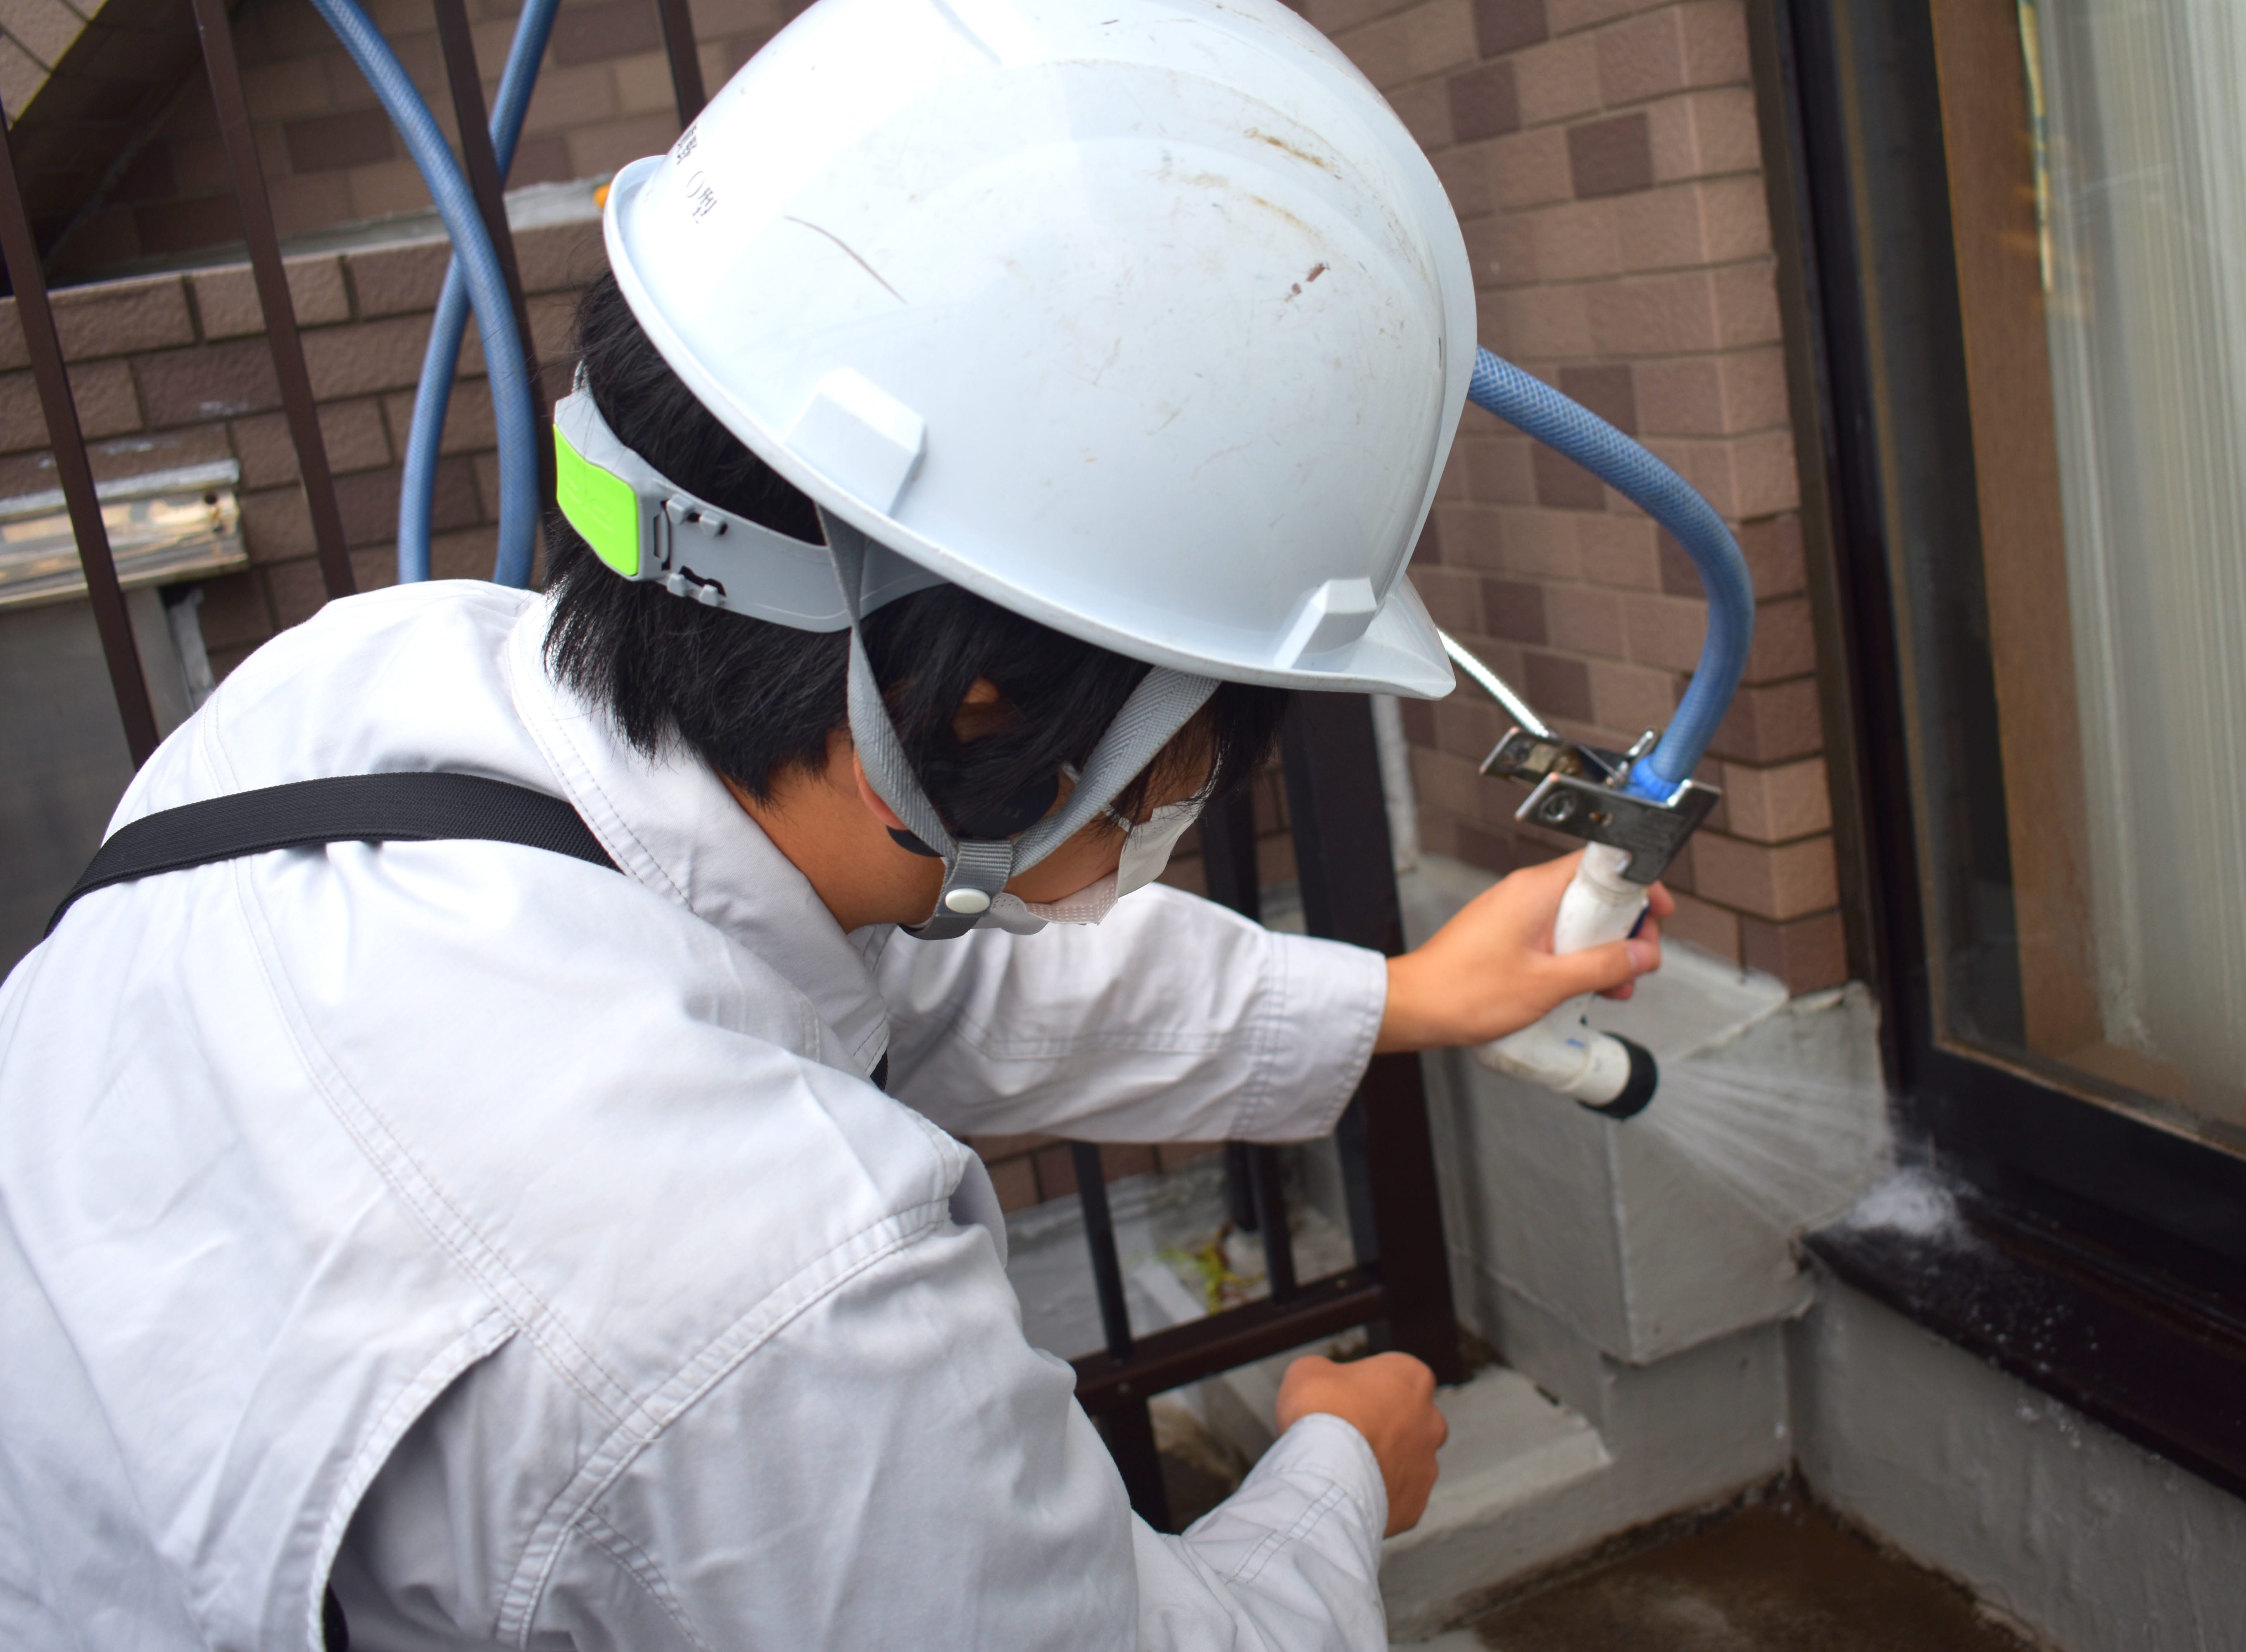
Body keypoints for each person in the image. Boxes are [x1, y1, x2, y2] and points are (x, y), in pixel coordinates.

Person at [0, 0, 1677, 1645]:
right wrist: (1339, 1473)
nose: (1150, 841)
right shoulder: (768, 1309)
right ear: (978, 721)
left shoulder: (366, 693)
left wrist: (1406, 997)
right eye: (1173, 790)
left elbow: (896, 963)